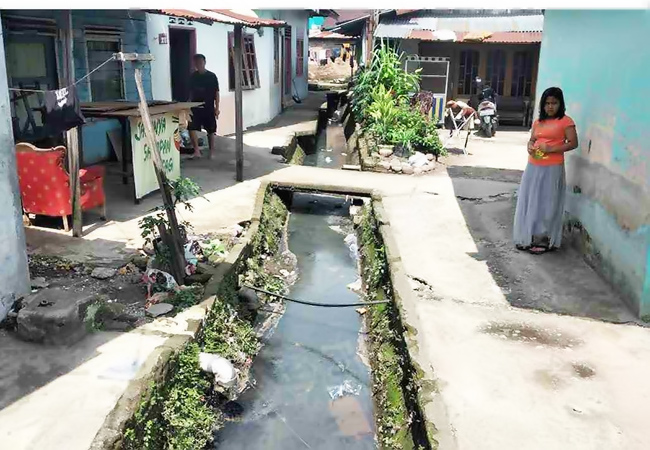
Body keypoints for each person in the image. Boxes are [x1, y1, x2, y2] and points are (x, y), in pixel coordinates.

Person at [513, 87, 579, 254]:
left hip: (552, 167)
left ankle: (544, 239)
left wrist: (551, 148)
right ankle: (528, 237)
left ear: (560, 104)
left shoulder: (566, 121)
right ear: (542, 105)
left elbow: (572, 143)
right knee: (531, 200)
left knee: (547, 202)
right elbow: (532, 139)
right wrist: (529, 145)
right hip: (533, 166)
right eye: (547, 103)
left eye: (554, 103)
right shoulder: (538, 122)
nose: (550, 107)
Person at [188, 54, 220, 159]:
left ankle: (212, 152)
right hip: (195, 106)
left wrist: (217, 108)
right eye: (196, 62)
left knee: (211, 130)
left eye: (200, 62)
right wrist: (188, 104)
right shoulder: (193, 77)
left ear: (204, 63)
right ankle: (197, 151)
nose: (198, 64)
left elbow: (216, 93)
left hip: (208, 107)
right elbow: (190, 92)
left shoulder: (211, 76)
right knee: (191, 128)